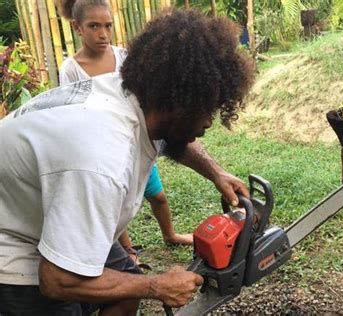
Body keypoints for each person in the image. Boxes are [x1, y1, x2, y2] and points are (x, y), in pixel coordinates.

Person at [0, 7, 255, 316]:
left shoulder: (134, 96)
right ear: (180, 103)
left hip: (44, 208)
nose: (210, 123)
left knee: (125, 286)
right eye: (207, 110)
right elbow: (58, 281)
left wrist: (216, 173)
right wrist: (156, 285)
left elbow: (171, 136)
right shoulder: (102, 158)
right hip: (13, 247)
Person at [56, 0, 193, 261]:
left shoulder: (124, 57)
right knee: (116, 204)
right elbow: (73, 112)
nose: (102, 34)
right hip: (102, 150)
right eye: (93, 26)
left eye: (107, 26)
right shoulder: (70, 69)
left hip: (136, 143)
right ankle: (128, 249)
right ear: (77, 27)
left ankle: (170, 234)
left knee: (158, 196)